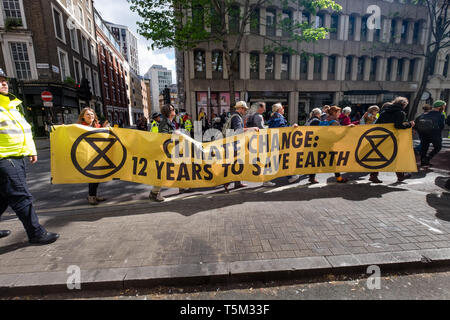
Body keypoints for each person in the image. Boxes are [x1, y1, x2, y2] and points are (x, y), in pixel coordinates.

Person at [0, 68, 59, 244]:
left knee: (3, 198)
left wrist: (31, 149)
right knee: (21, 196)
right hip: (5, 158)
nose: (4, 83)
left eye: (5, 80)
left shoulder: (11, 106)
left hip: (17, 157)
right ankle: (36, 233)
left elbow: (24, 131)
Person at [369, 97, 415, 183]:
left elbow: (377, 124)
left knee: (379, 157)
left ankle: (373, 175)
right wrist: (409, 125)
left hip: (381, 137)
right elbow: (398, 126)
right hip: (393, 138)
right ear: (403, 105)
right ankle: (401, 176)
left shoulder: (384, 112)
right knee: (396, 156)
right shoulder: (400, 113)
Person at [149, 104, 188, 202]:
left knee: (178, 168)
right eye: (172, 109)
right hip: (166, 152)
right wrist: (175, 134)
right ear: (168, 112)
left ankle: (181, 186)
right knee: (163, 172)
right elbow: (164, 137)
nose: (174, 110)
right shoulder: (163, 122)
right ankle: (154, 192)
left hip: (172, 150)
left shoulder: (171, 122)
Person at [223, 101, 259, 192]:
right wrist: (252, 129)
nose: (245, 111)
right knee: (235, 164)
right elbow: (238, 130)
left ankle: (237, 183)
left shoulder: (234, 116)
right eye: (244, 109)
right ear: (241, 108)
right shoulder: (236, 117)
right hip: (234, 145)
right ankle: (227, 182)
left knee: (237, 163)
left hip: (232, 144)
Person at [77, 108, 106, 205]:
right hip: (87, 155)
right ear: (83, 117)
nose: (90, 116)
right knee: (92, 177)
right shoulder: (79, 127)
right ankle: (91, 196)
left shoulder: (97, 126)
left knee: (97, 176)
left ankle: (94, 195)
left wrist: (105, 128)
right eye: (87, 115)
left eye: (92, 114)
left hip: (97, 154)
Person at [266, 103, 300, 185]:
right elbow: (282, 129)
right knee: (282, 159)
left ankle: (290, 176)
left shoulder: (274, 116)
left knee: (278, 160)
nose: (284, 109)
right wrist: (292, 127)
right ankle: (290, 176)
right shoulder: (278, 116)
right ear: (279, 109)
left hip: (274, 141)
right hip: (278, 142)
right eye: (282, 108)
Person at [417, 100, 446, 167]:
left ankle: (423, 162)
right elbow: (442, 126)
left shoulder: (425, 113)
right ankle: (427, 158)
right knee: (438, 147)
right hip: (434, 134)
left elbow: (418, 122)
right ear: (439, 107)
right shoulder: (440, 115)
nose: (444, 107)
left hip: (423, 133)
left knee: (424, 148)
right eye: (444, 106)